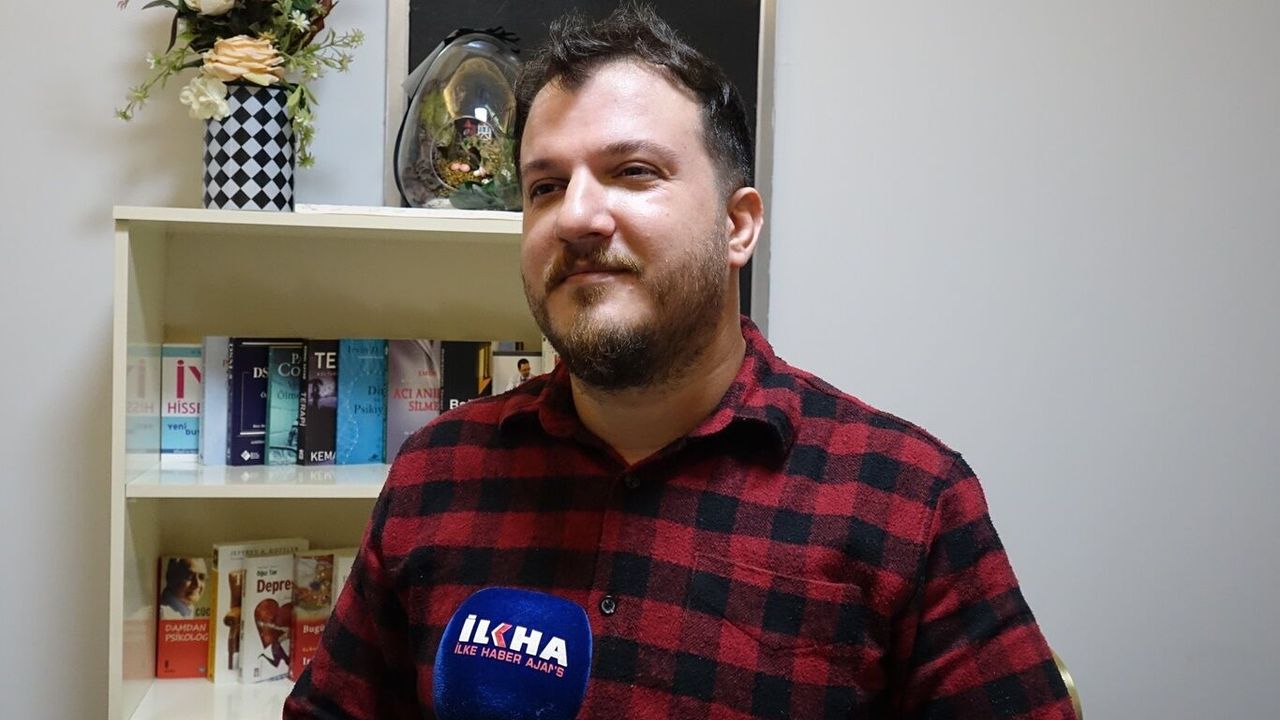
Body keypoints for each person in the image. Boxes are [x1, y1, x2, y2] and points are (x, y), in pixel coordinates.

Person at [285, 5, 1076, 718]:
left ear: (739, 227)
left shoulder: (907, 502)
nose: (577, 217)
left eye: (633, 171)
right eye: (546, 186)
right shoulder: (434, 476)